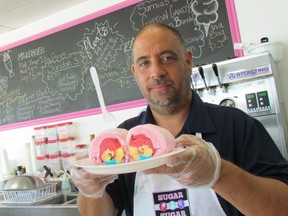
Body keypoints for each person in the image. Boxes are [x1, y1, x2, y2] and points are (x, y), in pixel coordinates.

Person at [71, 23, 288, 216]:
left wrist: (219, 173)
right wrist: (90, 189)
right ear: (135, 73)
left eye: (166, 58)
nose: (156, 72)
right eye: (145, 63)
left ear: (187, 61)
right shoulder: (124, 141)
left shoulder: (236, 125)